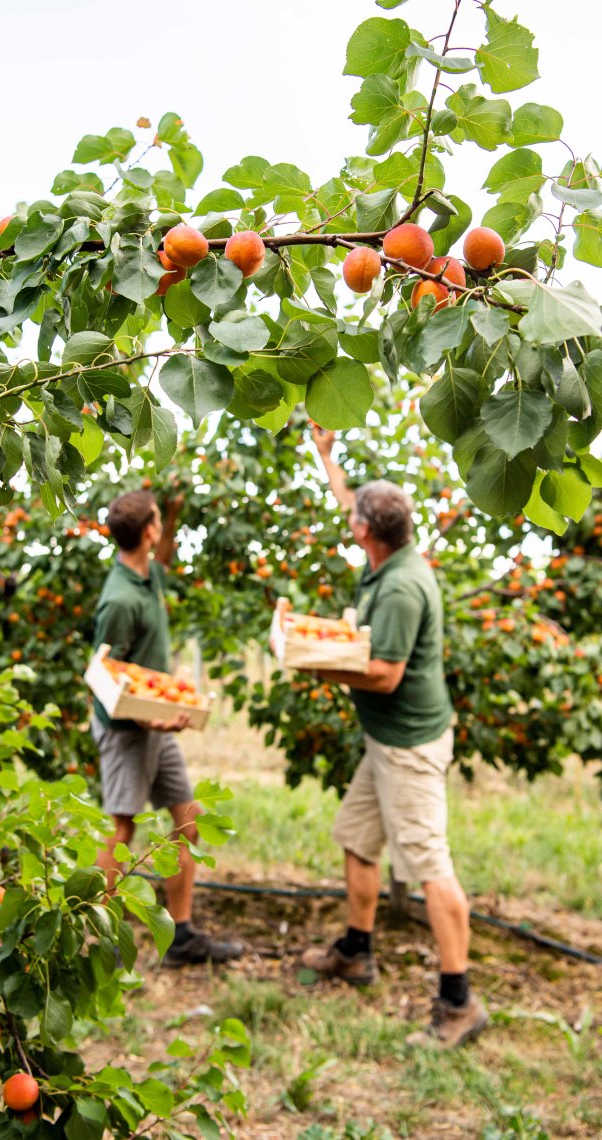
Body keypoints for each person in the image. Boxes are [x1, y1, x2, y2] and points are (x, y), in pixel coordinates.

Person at [301, 428, 488, 1048]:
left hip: (408, 746)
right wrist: (327, 457)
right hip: (385, 742)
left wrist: (311, 660)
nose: (348, 515)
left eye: (353, 517)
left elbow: (384, 675)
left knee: (430, 864)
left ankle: (459, 1002)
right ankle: (356, 952)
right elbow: (349, 502)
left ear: (365, 533)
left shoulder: (403, 586)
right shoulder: (388, 556)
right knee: (357, 839)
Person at [91, 488, 243, 968]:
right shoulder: (118, 599)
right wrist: (152, 716)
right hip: (127, 728)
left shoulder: (146, 573)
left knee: (188, 819)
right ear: (147, 530)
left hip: (157, 723)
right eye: (159, 521)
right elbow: (105, 679)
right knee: (120, 827)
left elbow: (162, 550)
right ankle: (98, 933)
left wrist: (171, 512)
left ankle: (180, 936)